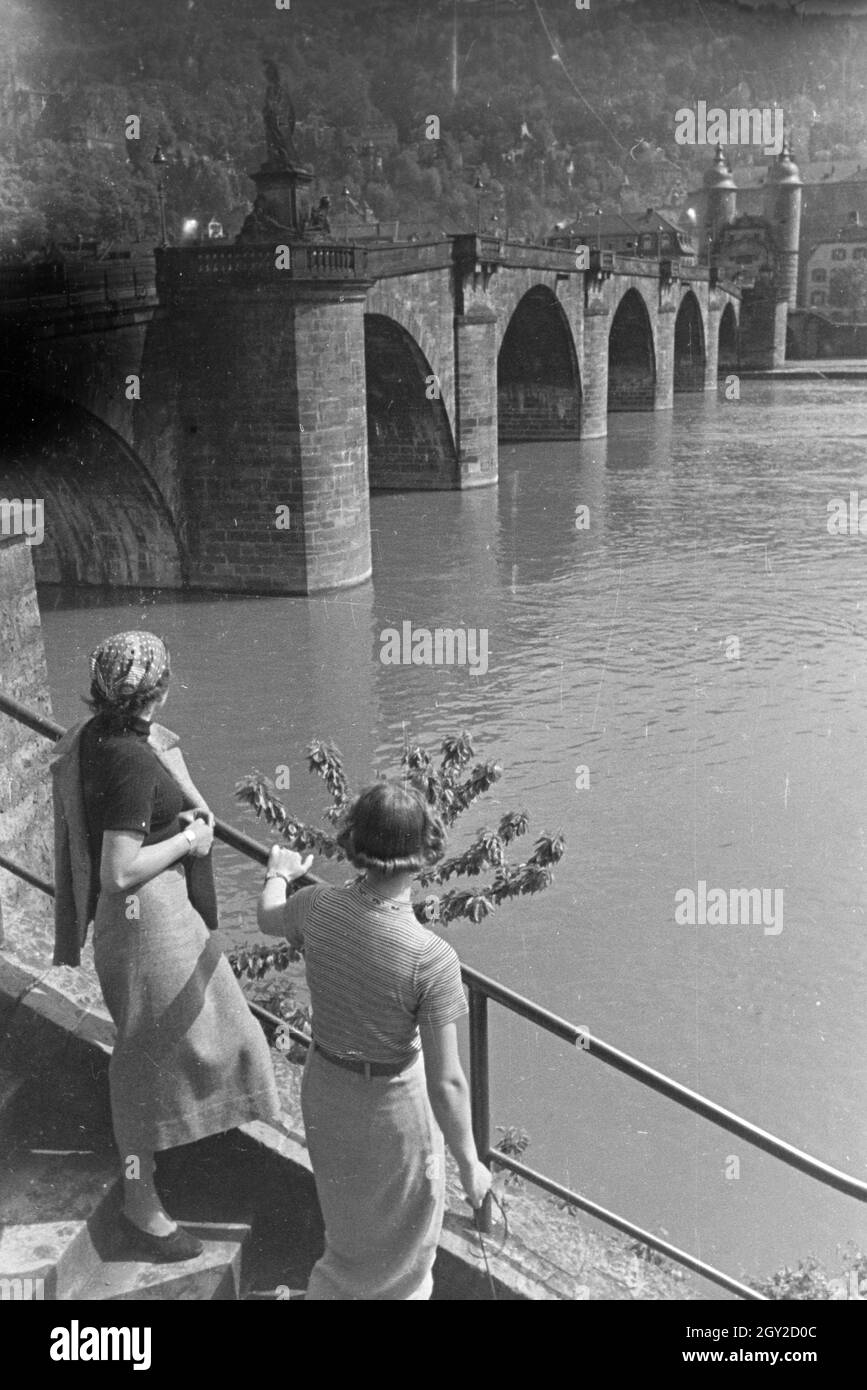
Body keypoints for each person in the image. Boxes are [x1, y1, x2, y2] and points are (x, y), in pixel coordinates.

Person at [51, 631, 281, 1261]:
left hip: (153, 918)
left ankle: (156, 1175)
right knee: (145, 1053)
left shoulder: (101, 735)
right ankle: (139, 1202)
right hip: (144, 918)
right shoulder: (127, 758)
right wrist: (191, 843)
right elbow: (118, 870)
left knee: (211, 1033)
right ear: (162, 689)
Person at [258, 779, 491, 1300]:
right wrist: (471, 1162)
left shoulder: (315, 906)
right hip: (392, 1114)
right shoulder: (431, 957)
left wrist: (278, 873)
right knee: (403, 1258)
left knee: (347, 1236)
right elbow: (447, 1082)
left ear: (357, 846)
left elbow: (267, 915)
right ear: (425, 855)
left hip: (326, 1091)